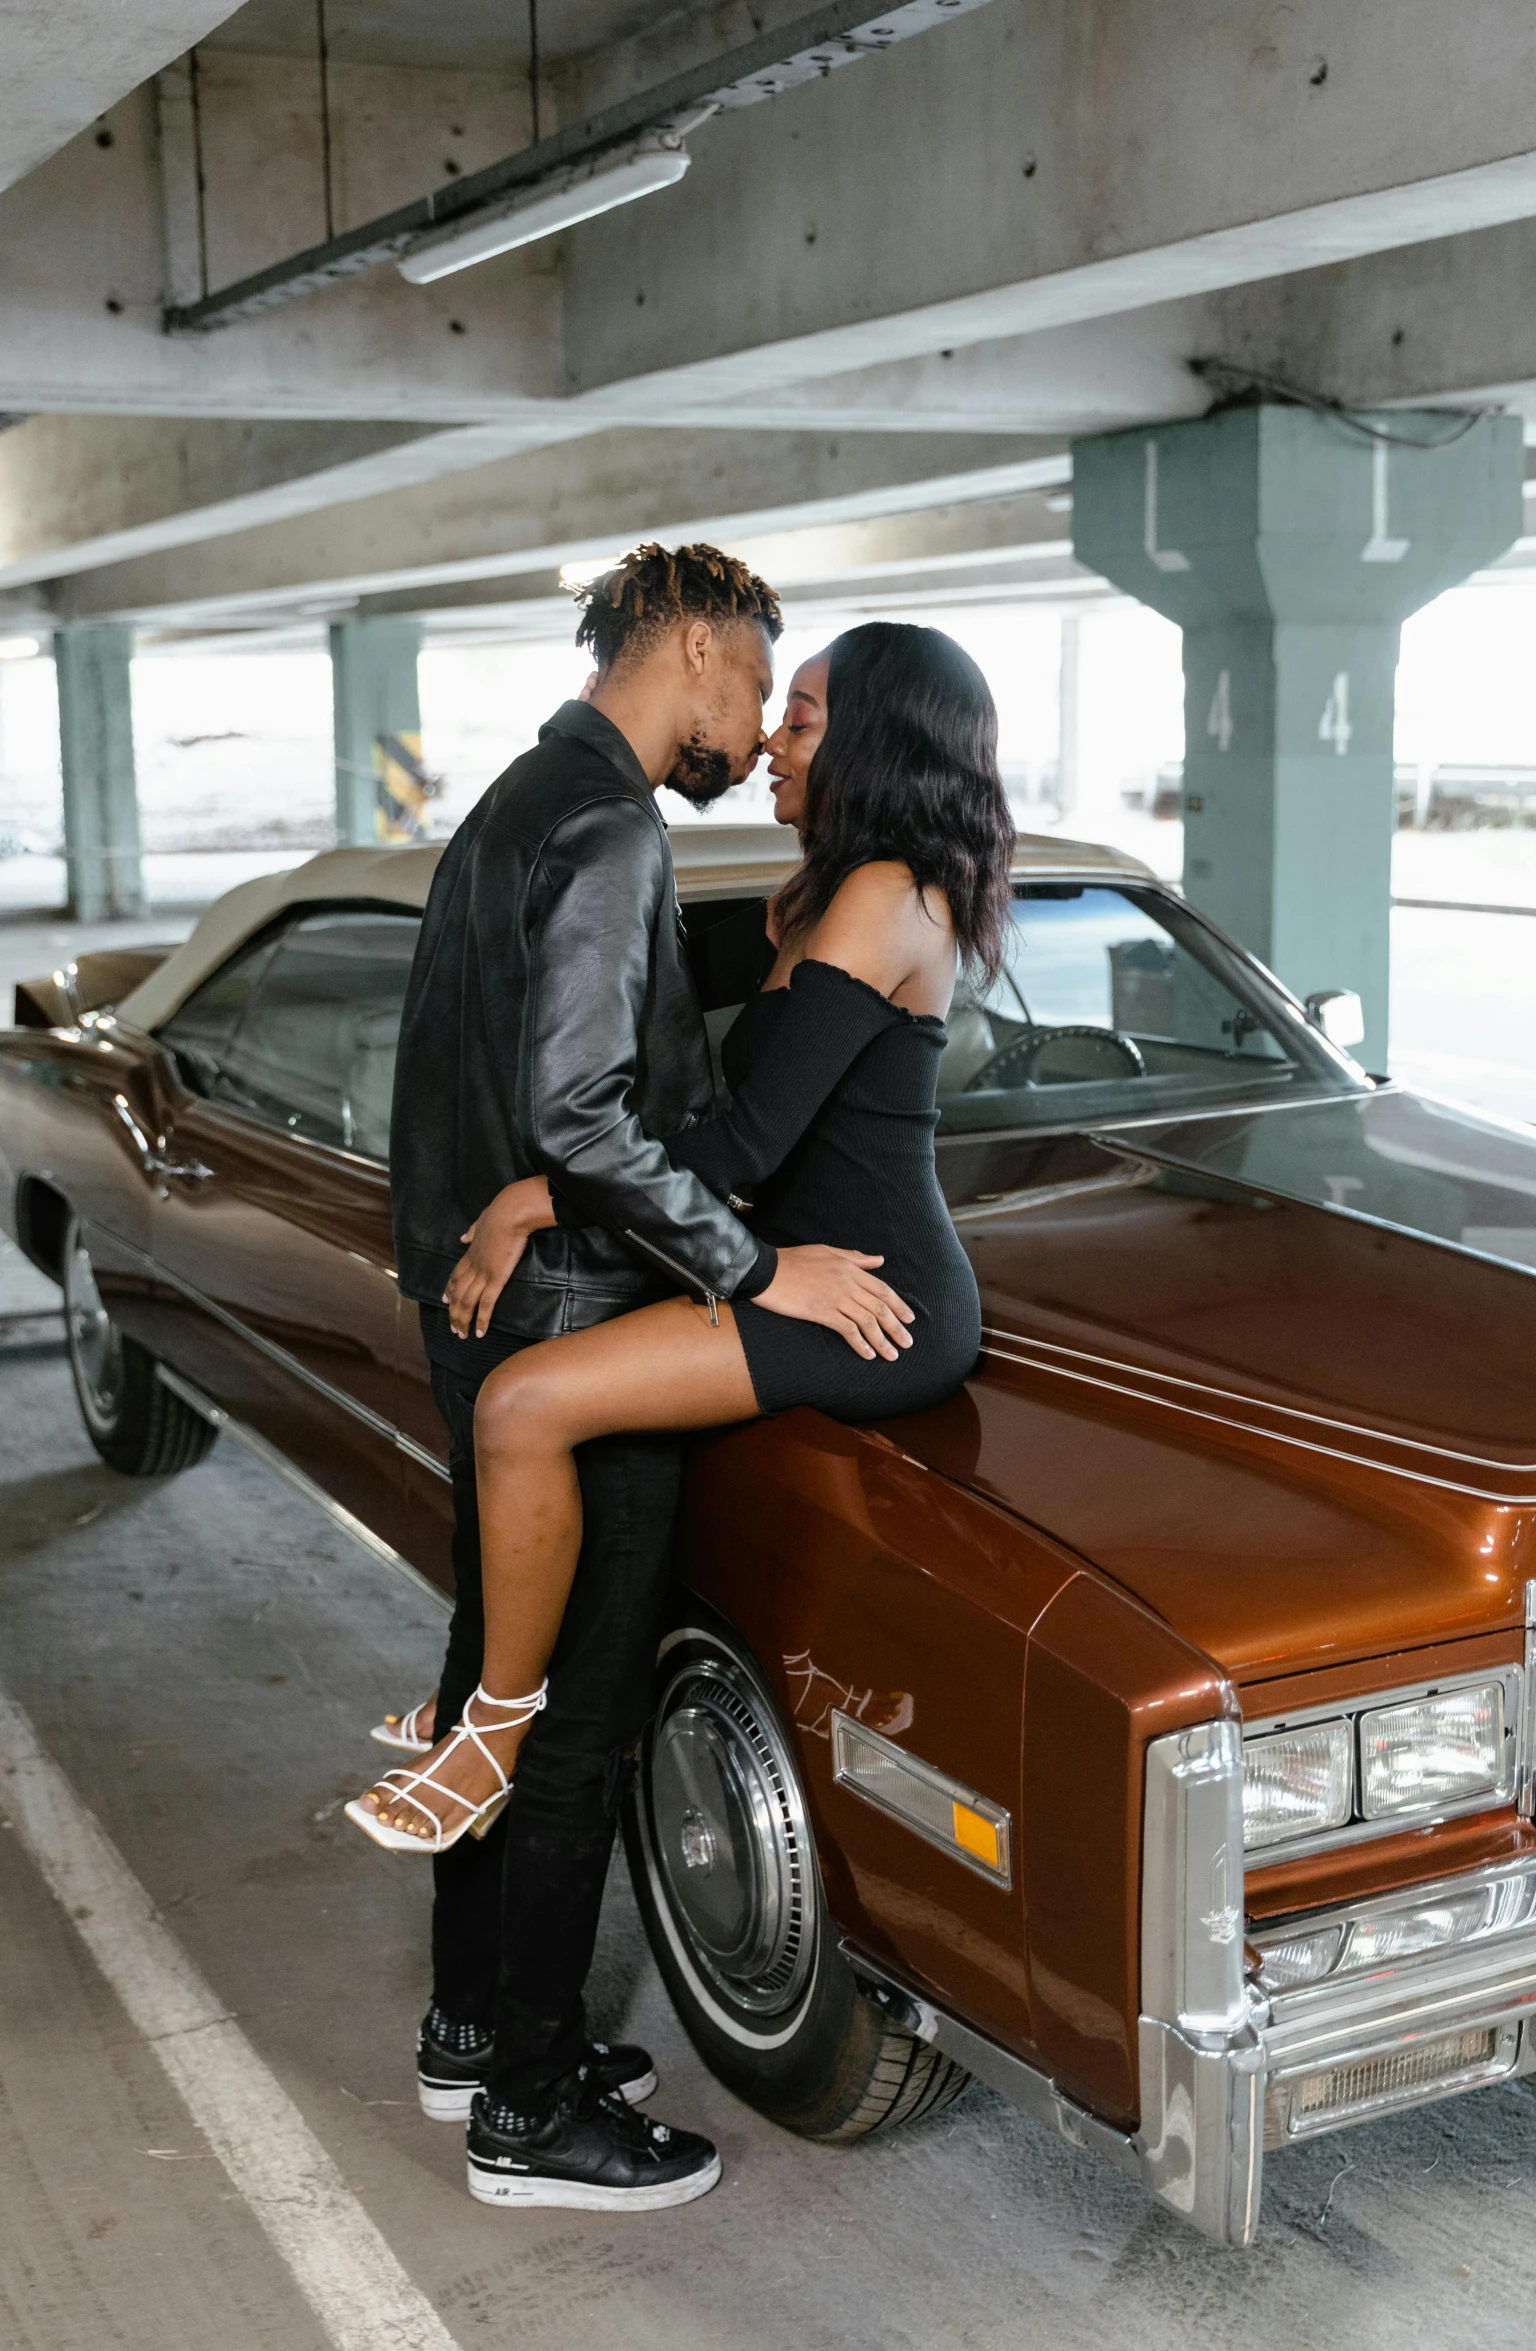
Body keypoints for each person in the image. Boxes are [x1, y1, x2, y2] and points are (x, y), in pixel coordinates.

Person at [356, 618, 1015, 2204]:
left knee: (523, 1401)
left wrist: (523, 1202)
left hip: (862, 1298)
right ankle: (491, 1787)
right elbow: (670, 1086)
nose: (778, 738)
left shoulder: (879, 898)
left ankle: (485, 1733)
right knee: (528, 1416)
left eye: (804, 714)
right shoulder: (816, 891)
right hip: (781, 1267)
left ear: (879, 740)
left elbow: (739, 1136)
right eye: (777, 705)